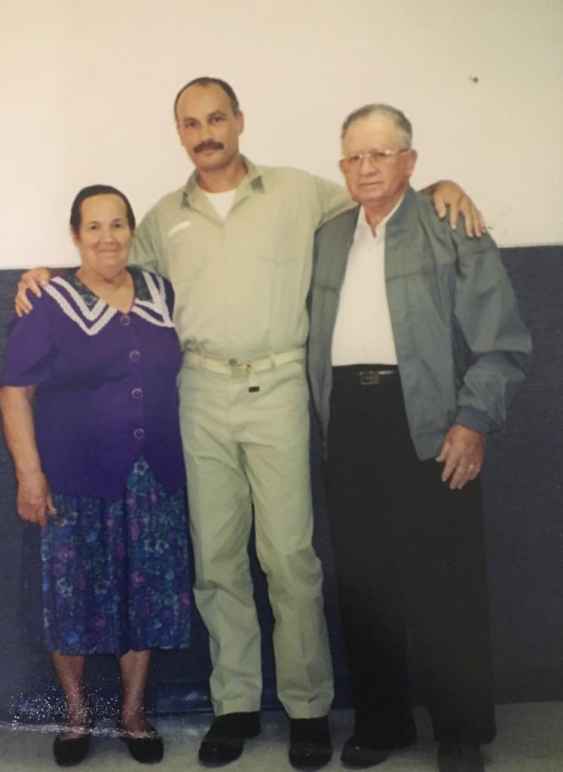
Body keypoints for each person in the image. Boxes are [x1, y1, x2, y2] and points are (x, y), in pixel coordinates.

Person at [15, 77, 487, 770]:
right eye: (190, 123)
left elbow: (378, 197)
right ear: (178, 133)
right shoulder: (160, 217)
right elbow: (106, 261)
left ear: (239, 121)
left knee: (290, 559)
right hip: (199, 392)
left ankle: (305, 710)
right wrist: (41, 273)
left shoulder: (300, 193)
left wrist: (441, 181)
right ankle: (233, 705)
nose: (205, 132)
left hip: (279, 386)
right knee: (216, 563)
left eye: (216, 118)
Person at [307, 103, 531, 771]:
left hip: (432, 421)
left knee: (445, 582)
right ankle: (381, 724)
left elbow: (502, 345)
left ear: (409, 161)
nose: (365, 168)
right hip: (347, 422)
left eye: (380, 154)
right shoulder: (327, 235)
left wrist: (471, 421)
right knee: (364, 583)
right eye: (353, 157)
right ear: (341, 166)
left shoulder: (449, 224)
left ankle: (458, 731)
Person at [0, 185, 192, 767]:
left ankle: (134, 714)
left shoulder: (161, 292)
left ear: (132, 231)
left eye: (118, 225)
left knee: (145, 595)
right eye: (94, 227)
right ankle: (77, 714)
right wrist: (29, 476)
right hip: (76, 479)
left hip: (153, 476)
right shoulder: (50, 302)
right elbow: (15, 393)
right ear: (75, 236)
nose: (107, 237)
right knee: (74, 599)